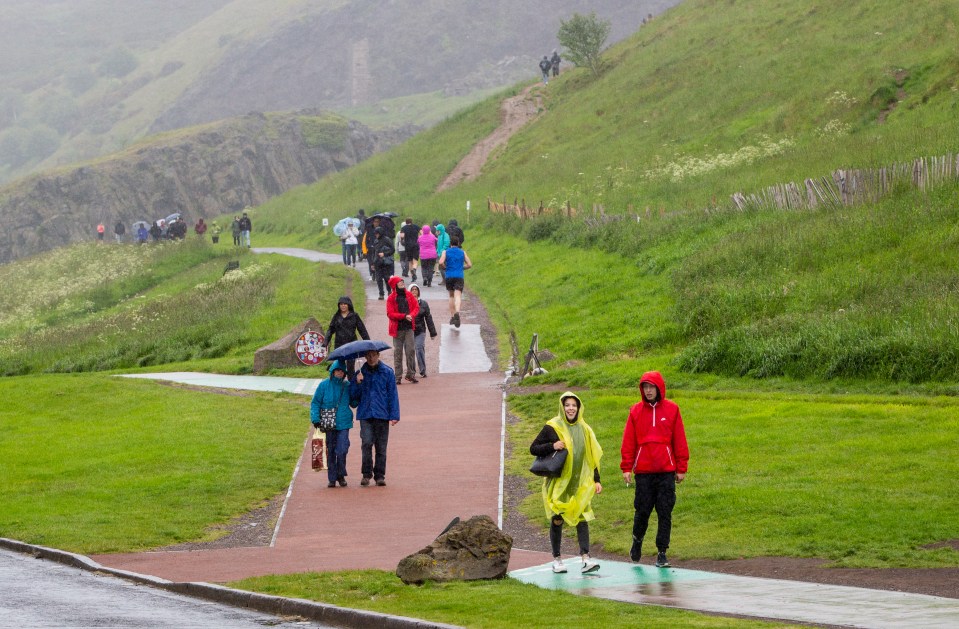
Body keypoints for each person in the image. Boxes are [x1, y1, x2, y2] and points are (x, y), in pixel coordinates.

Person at [620, 371, 689, 568]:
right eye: (645, 387)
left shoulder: (673, 410)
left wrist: (681, 467)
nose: (648, 391)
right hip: (643, 472)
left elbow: (679, 440)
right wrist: (627, 467)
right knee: (642, 511)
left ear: (659, 388)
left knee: (665, 512)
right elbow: (628, 442)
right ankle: (637, 540)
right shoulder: (635, 411)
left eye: (651, 387)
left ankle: (662, 552)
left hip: (666, 472)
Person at [530, 392, 603, 574]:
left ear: (579, 408)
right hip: (559, 484)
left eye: (574, 405)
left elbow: (591, 457)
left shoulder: (585, 429)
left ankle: (586, 558)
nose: (571, 408)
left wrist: (596, 479)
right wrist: (552, 446)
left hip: (579, 483)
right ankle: (557, 559)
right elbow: (534, 448)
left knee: (582, 517)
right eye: (567, 405)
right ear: (562, 407)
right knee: (557, 519)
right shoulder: (552, 426)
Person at [350, 349, 400, 487]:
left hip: (382, 414)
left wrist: (394, 415)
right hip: (366, 414)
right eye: (368, 355)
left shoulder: (387, 372)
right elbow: (353, 398)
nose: (371, 358)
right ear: (365, 357)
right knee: (366, 443)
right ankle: (366, 474)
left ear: (378, 355)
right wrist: (358, 383)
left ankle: (380, 475)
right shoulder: (360, 373)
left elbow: (392, 395)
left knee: (381, 446)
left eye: (374, 355)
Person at [311, 359, 355, 488]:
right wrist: (315, 418)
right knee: (330, 450)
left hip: (344, 422)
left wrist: (358, 386)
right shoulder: (324, 385)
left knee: (342, 449)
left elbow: (354, 403)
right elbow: (315, 402)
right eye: (337, 370)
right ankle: (332, 478)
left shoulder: (347, 386)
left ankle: (340, 474)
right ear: (333, 371)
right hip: (328, 423)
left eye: (342, 371)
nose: (340, 373)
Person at [324, 296, 370, 376]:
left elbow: (362, 330)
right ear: (339, 305)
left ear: (349, 305)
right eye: (341, 304)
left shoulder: (355, 316)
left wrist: (368, 343)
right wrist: (326, 341)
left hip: (351, 345)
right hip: (339, 345)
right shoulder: (336, 316)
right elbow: (330, 329)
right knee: (339, 366)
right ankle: (339, 384)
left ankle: (350, 385)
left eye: (345, 304)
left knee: (350, 367)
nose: (343, 305)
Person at [386, 276, 419, 384]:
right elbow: (390, 314)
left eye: (402, 281)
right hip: (397, 329)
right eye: (399, 282)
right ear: (394, 285)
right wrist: (404, 316)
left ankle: (411, 374)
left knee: (410, 350)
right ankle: (398, 376)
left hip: (409, 327)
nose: (402, 283)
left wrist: (411, 315)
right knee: (398, 352)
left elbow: (416, 307)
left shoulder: (409, 294)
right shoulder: (391, 298)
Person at [436, 236, 472, 328]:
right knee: (458, 295)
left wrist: (445, 267)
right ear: (458, 243)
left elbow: (440, 262)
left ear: (450, 244)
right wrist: (462, 267)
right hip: (459, 276)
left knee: (451, 296)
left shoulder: (445, 252)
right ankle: (457, 312)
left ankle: (452, 316)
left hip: (449, 276)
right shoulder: (462, 252)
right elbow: (469, 264)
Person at [409, 283, 437, 378]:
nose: (414, 291)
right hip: (409, 331)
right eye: (412, 290)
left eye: (416, 290)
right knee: (410, 351)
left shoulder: (424, 304)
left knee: (419, 348)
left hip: (420, 330)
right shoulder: (406, 303)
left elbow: (428, 318)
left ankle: (422, 370)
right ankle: (411, 371)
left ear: (418, 292)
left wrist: (432, 332)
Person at [373, 227, 395, 300]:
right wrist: (373, 263)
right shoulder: (376, 241)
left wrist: (384, 254)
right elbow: (375, 252)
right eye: (375, 234)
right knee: (379, 279)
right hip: (377, 263)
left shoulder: (387, 240)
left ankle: (389, 291)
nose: (376, 235)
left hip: (386, 263)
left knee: (387, 278)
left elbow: (392, 250)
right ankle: (381, 294)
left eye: (377, 233)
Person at [400, 217, 420, 282]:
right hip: (415, 245)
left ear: (406, 222)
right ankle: (414, 269)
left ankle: (413, 276)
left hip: (408, 246)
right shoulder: (416, 226)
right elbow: (422, 233)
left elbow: (402, 236)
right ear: (412, 221)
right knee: (415, 260)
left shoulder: (403, 228)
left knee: (410, 261)